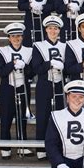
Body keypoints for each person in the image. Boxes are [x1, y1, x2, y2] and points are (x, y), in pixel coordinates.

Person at [0, 22, 34, 159]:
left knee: (22, 118)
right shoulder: (2, 51)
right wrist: (12, 64)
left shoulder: (29, 51)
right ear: (9, 38)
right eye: (13, 36)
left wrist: (25, 67)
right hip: (7, 88)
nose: (16, 39)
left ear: (22, 37)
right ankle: (5, 148)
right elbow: (0, 72)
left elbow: (32, 73)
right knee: (6, 118)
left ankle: (22, 145)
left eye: (18, 36)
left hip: (23, 87)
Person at [32, 16, 66, 160]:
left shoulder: (64, 46)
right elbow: (36, 68)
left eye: (56, 28)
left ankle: (57, 147)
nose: (53, 31)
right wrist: (49, 63)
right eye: (50, 28)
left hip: (59, 84)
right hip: (44, 84)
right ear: (46, 29)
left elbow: (69, 67)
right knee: (43, 116)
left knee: (59, 116)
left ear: (59, 30)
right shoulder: (39, 46)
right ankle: (41, 148)